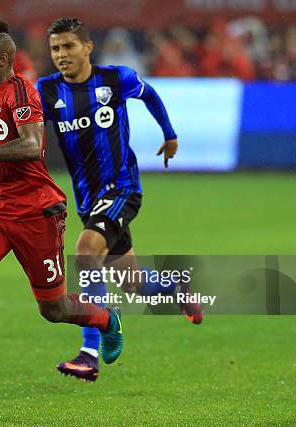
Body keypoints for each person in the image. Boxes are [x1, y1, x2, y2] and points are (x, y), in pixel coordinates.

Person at [0, 19, 123, 413]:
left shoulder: (22, 92)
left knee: (53, 310)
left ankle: (106, 319)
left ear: (2, 59)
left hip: (36, 214)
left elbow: (32, 146)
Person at [36, 17, 202, 382]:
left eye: (69, 46)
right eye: (55, 49)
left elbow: (149, 95)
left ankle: (89, 350)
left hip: (123, 188)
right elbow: (32, 137)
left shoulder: (116, 79)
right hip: (87, 199)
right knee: (132, 282)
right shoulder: (46, 91)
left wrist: (169, 134)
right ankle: (176, 287)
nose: (61, 55)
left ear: (88, 47)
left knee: (85, 249)